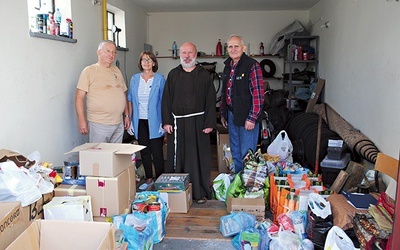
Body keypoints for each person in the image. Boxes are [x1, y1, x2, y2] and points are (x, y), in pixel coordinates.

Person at [162, 42, 216, 204]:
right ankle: (175, 192)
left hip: (199, 124)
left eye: (190, 53)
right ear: (179, 54)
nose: (186, 56)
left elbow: (211, 100)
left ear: (196, 54)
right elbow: (166, 100)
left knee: (197, 157)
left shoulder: (204, 75)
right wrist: (167, 121)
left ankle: (199, 192)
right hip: (177, 124)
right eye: (184, 52)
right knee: (178, 158)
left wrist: (209, 123)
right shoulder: (173, 74)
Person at [220, 35, 264, 174]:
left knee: (247, 154)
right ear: (227, 49)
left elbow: (258, 94)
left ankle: (249, 185)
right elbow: (224, 92)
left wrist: (252, 118)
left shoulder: (252, 65)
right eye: (230, 46)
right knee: (236, 152)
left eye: (236, 46)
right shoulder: (228, 66)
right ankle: (239, 180)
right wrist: (223, 114)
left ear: (243, 48)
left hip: (247, 118)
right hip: (232, 115)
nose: (233, 49)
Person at [75, 40, 130, 143]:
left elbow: (123, 93)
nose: (111, 55)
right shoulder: (89, 71)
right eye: (108, 51)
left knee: (115, 156)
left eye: (114, 52)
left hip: (118, 123)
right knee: (99, 156)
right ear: (98, 52)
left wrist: (126, 115)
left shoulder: (116, 70)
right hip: (99, 124)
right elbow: (79, 97)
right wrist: (82, 121)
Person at [127, 51, 166, 190]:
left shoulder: (160, 79)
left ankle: (160, 179)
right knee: (144, 151)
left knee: (157, 152)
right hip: (139, 121)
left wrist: (164, 121)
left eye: (149, 60)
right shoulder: (134, 79)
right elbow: (130, 99)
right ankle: (149, 178)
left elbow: (164, 101)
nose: (146, 62)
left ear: (154, 63)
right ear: (140, 62)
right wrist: (130, 119)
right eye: (144, 60)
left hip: (155, 120)